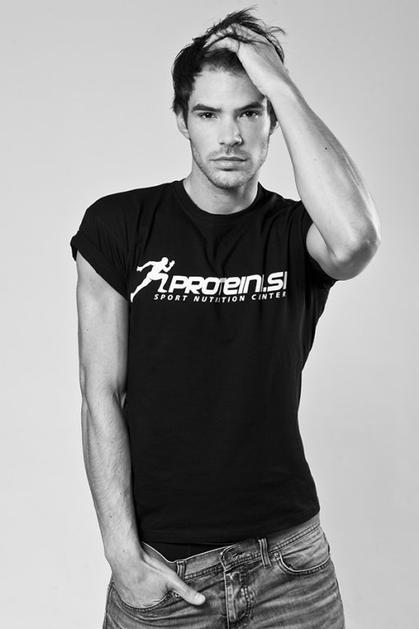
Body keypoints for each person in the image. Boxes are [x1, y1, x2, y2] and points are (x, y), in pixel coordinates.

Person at [70, 7, 381, 628]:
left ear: (272, 120)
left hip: (290, 566)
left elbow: (354, 242)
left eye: (250, 112)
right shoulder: (118, 227)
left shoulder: (296, 233)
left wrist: (281, 84)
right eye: (208, 114)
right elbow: (100, 392)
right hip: (167, 568)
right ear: (181, 120)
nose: (230, 136)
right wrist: (122, 556)